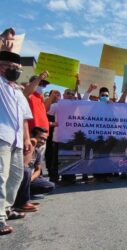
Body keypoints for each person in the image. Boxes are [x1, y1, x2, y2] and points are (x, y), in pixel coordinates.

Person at [0, 50, 32, 235]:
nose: (16, 71)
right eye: (11, 67)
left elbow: (24, 118)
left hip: (17, 139)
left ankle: (5, 209)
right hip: (2, 136)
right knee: (1, 177)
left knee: (16, 176)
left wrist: (27, 138)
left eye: (18, 68)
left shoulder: (18, 92)